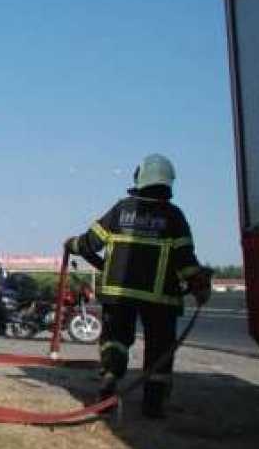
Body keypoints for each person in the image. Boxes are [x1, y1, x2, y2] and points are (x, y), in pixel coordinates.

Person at [65, 154, 211, 419]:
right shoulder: (174, 216)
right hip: (161, 299)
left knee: (116, 342)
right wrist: (198, 284)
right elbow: (186, 261)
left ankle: (109, 383)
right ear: (168, 182)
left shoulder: (122, 209)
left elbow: (89, 244)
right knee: (159, 350)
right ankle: (153, 405)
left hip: (119, 296)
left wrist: (71, 244)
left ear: (140, 177)